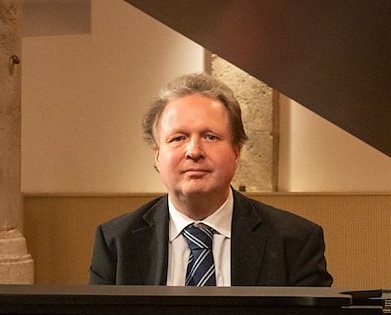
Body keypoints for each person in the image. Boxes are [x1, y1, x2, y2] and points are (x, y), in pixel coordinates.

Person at [89, 73, 332, 287]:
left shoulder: (295, 242)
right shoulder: (116, 242)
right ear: (157, 155)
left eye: (210, 136)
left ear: (236, 152)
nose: (194, 151)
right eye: (178, 138)